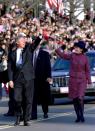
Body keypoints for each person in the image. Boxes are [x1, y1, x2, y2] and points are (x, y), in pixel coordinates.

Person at [8, 33, 42, 126]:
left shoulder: (28, 49)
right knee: (16, 99)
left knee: (28, 99)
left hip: (28, 78)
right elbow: (10, 67)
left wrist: (39, 37)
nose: (24, 42)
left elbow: (35, 44)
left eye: (24, 41)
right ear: (17, 42)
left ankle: (26, 119)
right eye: (22, 41)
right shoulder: (12, 53)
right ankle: (19, 116)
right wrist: (10, 80)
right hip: (17, 79)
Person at [55, 41, 91, 123]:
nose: (76, 49)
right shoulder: (72, 56)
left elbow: (88, 71)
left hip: (82, 80)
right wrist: (59, 48)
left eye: (78, 48)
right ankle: (78, 116)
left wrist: (89, 81)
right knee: (75, 99)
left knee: (80, 98)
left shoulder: (85, 58)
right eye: (76, 47)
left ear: (82, 50)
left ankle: (81, 115)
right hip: (73, 80)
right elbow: (62, 55)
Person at [31, 45, 52, 120]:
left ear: (39, 45)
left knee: (44, 97)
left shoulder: (44, 54)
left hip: (43, 79)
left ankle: (45, 112)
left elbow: (48, 66)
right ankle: (33, 114)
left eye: (38, 44)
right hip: (32, 79)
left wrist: (49, 76)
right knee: (33, 97)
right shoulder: (29, 53)